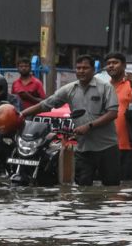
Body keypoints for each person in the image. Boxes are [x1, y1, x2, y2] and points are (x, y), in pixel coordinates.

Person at [21, 55, 120, 186]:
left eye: (85, 68)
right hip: (83, 148)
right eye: (78, 68)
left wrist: (88, 126)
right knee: (82, 188)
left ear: (93, 70)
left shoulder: (106, 88)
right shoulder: (69, 89)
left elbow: (112, 114)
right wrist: (21, 114)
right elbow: (45, 104)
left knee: (111, 187)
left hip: (107, 147)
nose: (81, 71)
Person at [103, 52, 132, 183]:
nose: (111, 66)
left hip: (128, 144)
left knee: (126, 187)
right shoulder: (104, 86)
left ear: (124, 66)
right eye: (109, 63)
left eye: (115, 63)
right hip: (106, 145)